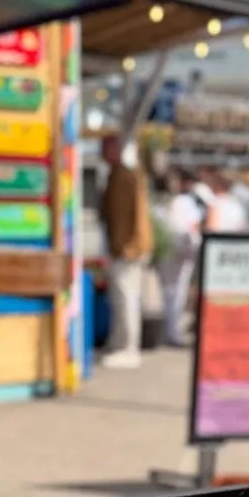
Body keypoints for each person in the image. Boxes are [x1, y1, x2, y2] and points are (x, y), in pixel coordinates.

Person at [99, 133, 153, 368]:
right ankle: (120, 342)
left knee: (126, 298)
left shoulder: (126, 176)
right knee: (121, 298)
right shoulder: (120, 174)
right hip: (125, 247)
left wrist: (128, 247)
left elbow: (131, 216)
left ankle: (128, 348)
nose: (101, 152)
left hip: (128, 249)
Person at [156, 167, 204, 346]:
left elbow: (194, 225)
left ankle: (170, 331)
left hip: (175, 250)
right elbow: (194, 225)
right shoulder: (182, 202)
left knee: (170, 291)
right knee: (176, 292)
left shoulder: (161, 204)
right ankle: (171, 331)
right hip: (178, 250)